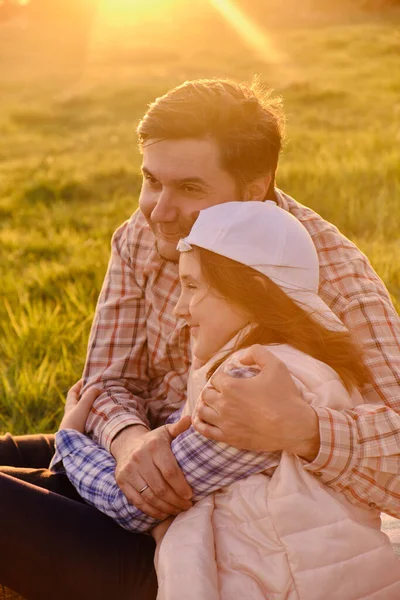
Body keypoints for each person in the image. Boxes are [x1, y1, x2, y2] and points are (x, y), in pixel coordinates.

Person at [0, 78, 399, 599]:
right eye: (151, 180)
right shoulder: (144, 235)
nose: (158, 210)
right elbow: (107, 380)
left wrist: (305, 430)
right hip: (159, 454)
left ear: (254, 190)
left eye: (189, 188)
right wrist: (128, 443)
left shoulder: (336, 277)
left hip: (211, 535)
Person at [53, 201, 400, 599]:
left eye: (193, 287)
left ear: (252, 292)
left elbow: (133, 503)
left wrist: (69, 439)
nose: (181, 309)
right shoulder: (271, 361)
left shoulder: (250, 385)